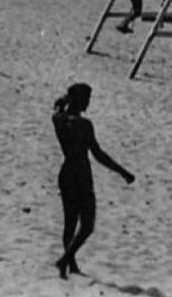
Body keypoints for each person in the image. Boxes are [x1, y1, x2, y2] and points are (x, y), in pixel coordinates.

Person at [51, 83, 134, 279]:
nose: (88, 103)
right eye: (87, 99)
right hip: (81, 173)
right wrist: (122, 172)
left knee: (70, 223)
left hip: (66, 172)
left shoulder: (58, 120)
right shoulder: (84, 125)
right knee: (87, 225)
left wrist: (62, 103)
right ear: (80, 100)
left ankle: (70, 265)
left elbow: (56, 109)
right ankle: (65, 260)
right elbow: (98, 154)